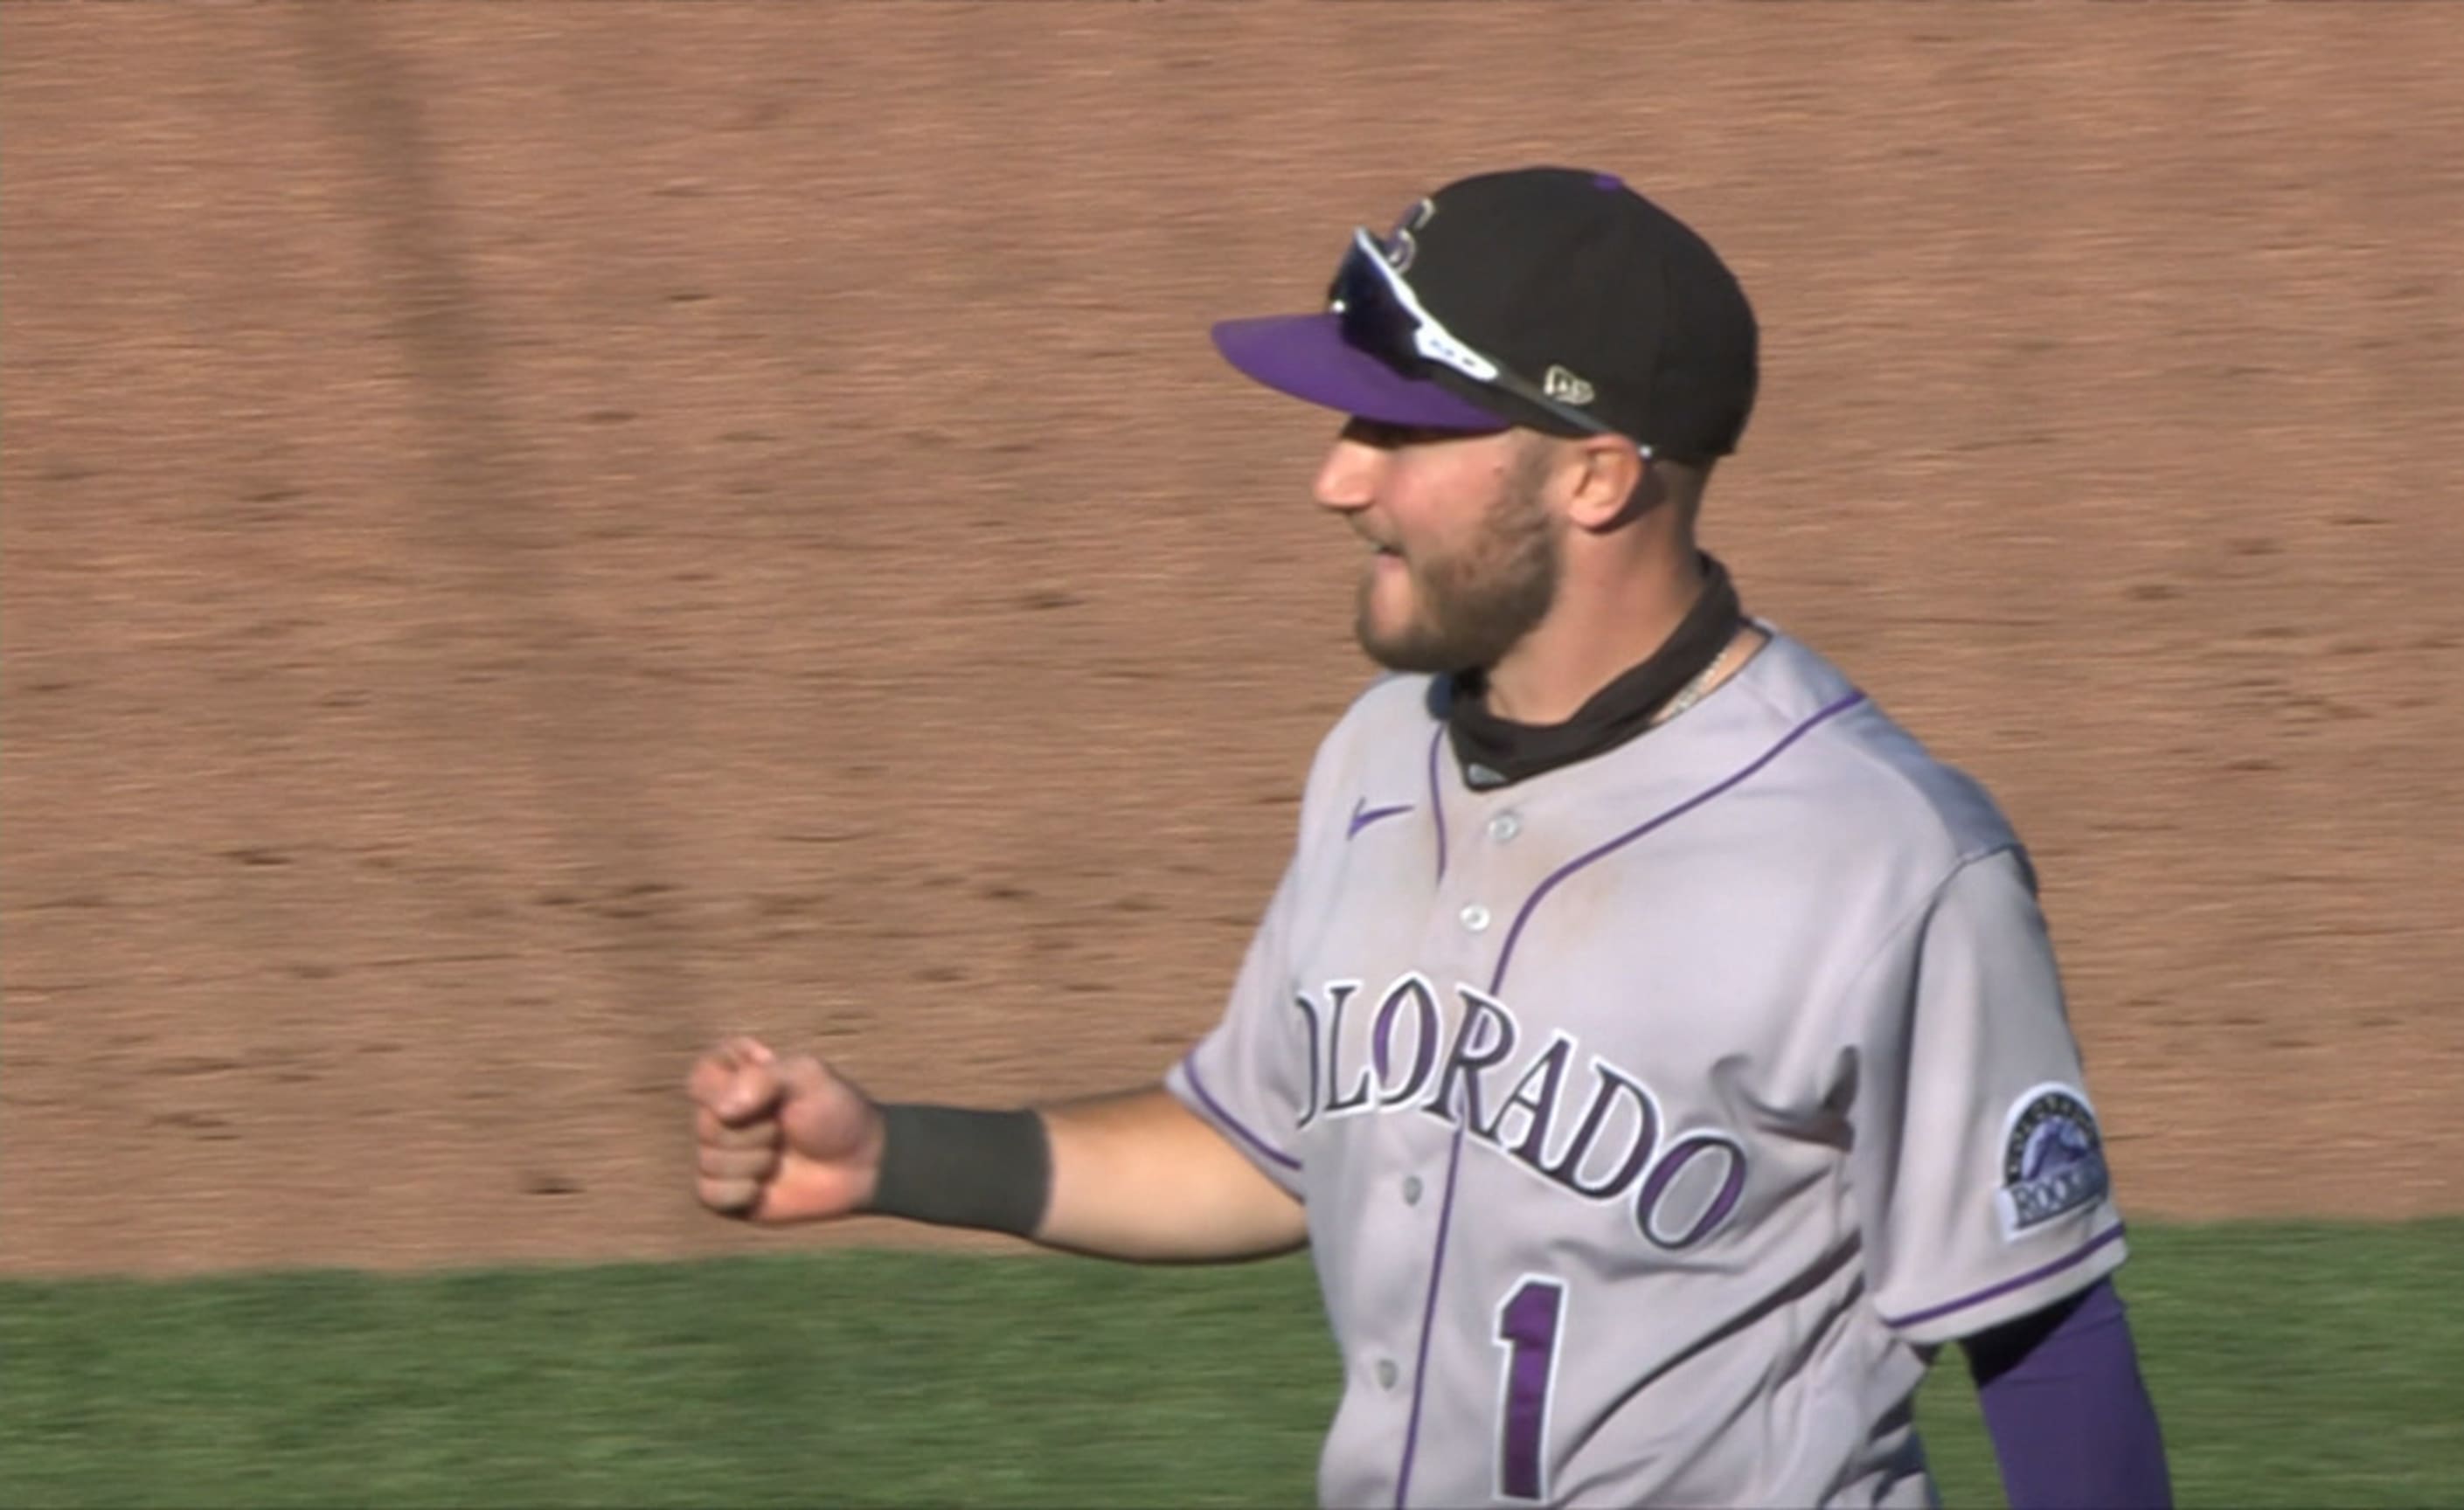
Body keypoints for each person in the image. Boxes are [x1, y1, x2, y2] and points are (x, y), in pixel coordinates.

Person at [689, 165, 2173, 1509]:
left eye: (1402, 426)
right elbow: (1268, 1145)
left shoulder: (1887, 860)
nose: (1338, 477)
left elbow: (2039, 1340)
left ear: (1598, 472)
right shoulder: (1378, 757)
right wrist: (894, 1156)